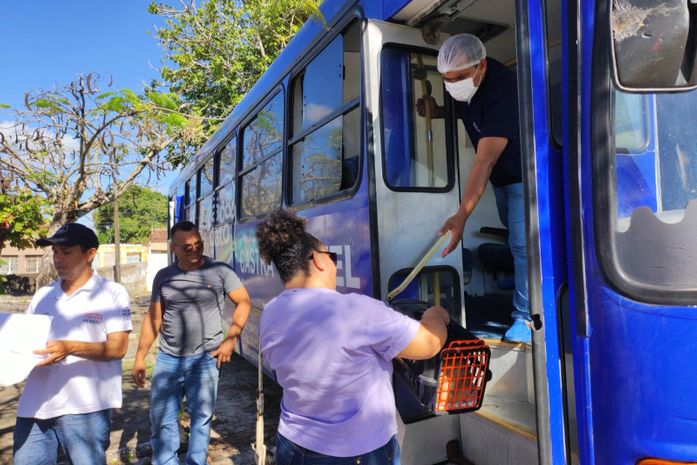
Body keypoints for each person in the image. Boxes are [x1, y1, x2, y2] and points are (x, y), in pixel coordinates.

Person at [255, 209, 450, 465]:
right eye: (332, 257)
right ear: (318, 260)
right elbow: (430, 343)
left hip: (292, 447)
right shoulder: (355, 310)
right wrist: (436, 315)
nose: (334, 266)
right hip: (357, 453)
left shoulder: (271, 313)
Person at [417, 33, 531, 343]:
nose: (451, 85)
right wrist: (435, 111)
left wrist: (462, 215)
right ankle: (527, 288)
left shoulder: (503, 89)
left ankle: (527, 318)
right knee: (517, 243)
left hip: (525, 175)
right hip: (503, 180)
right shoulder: (469, 85)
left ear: (480, 66)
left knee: (524, 246)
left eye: (457, 79)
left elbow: (483, 162)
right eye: (445, 80)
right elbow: (463, 112)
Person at [132, 220, 251, 465]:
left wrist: (231, 340)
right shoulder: (164, 277)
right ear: (174, 248)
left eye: (199, 244)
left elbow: (244, 302)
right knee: (162, 420)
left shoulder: (220, 271)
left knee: (201, 419)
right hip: (168, 359)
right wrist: (139, 356)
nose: (195, 249)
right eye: (188, 247)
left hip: (206, 360)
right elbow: (154, 317)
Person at [13, 223, 132, 465]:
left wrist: (70, 347)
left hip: (85, 407)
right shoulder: (43, 294)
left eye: (66, 252)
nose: (58, 259)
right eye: (55, 252)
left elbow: (118, 348)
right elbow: (25, 341)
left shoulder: (111, 293)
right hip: (34, 405)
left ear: (90, 254)